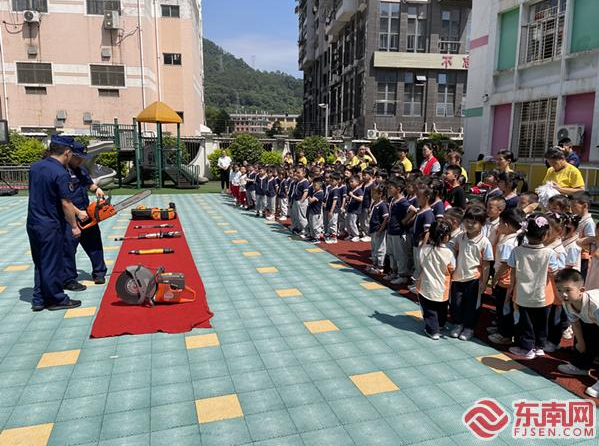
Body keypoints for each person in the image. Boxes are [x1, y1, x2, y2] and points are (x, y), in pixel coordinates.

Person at [27, 135, 82, 311]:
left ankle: (38, 299)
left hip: (33, 222)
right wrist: (74, 226)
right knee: (53, 263)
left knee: (40, 262)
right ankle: (56, 299)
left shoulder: (35, 167)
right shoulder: (60, 172)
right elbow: (65, 203)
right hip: (50, 224)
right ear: (67, 152)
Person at [507, 214, 559, 359]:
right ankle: (540, 347)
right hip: (544, 295)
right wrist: (557, 293)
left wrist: (511, 289)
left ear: (526, 233)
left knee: (526, 322)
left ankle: (527, 348)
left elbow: (512, 273)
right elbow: (554, 273)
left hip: (523, 294)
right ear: (545, 235)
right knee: (542, 322)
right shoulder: (550, 253)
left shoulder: (517, 251)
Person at [63, 142, 107, 292]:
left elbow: (88, 184)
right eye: (78, 157)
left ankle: (99, 273)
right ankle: (69, 279)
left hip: (87, 213)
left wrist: (96, 189)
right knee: (69, 249)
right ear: (70, 155)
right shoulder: (62, 172)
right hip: (70, 215)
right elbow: (63, 200)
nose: (81, 160)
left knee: (95, 244)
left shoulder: (81, 170)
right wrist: (77, 213)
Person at [449, 205, 494, 341]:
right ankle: (458, 324)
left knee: (472, 306)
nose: (469, 224)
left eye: (474, 222)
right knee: (456, 303)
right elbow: (452, 250)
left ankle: (469, 328)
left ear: (482, 224)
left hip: (474, 279)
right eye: (467, 221)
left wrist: (484, 283)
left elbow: (486, 265)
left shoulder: (484, 242)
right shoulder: (460, 237)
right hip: (458, 278)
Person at [553, 269, 599, 398]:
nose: (563, 294)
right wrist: (581, 343)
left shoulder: (595, 304)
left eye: (568, 290)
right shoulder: (568, 303)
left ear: (581, 290)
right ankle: (580, 366)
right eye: (559, 290)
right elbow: (575, 323)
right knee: (584, 334)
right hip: (592, 321)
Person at [488, 208, 526, 345]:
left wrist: (495, 278)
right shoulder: (516, 238)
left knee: (504, 307)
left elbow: (505, 265)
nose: (498, 226)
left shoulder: (508, 243)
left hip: (505, 281)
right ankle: (502, 328)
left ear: (507, 225)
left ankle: (505, 334)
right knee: (505, 307)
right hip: (510, 280)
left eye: (500, 223)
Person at [417, 220, 455, 340]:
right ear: (447, 237)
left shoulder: (424, 249)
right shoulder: (448, 253)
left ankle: (433, 330)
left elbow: (420, 262)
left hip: (426, 285)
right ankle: (441, 324)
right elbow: (452, 268)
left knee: (429, 310)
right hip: (442, 287)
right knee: (442, 308)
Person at [384, 178, 417, 285]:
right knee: (391, 253)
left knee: (400, 255)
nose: (388, 190)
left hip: (398, 232)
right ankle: (394, 271)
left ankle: (402, 275)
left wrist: (404, 221)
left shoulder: (403, 201)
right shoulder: (393, 200)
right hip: (391, 231)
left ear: (398, 189)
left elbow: (414, 210)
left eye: (390, 188)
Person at [571, 191, 596, 280]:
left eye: (574, 206)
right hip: (575, 255)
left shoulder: (588, 222)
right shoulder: (577, 218)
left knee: (580, 280)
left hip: (583, 258)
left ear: (585, 206)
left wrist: (577, 241)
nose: (571, 208)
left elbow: (592, 238)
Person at [366, 185, 389, 275]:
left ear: (380, 194)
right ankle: (375, 264)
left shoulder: (382, 205)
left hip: (379, 230)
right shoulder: (374, 204)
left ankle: (380, 266)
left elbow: (386, 218)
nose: (372, 195)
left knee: (380, 248)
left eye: (374, 193)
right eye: (372, 193)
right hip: (373, 229)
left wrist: (380, 230)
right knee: (374, 247)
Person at [345, 175, 363, 242]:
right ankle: (351, 234)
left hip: (355, 210)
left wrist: (352, 195)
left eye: (352, 181)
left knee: (352, 222)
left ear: (357, 182)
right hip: (350, 209)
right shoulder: (351, 190)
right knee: (348, 222)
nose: (350, 183)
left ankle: (356, 235)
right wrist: (348, 198)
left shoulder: (359, 190)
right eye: (350, 182)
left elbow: (361, 199)